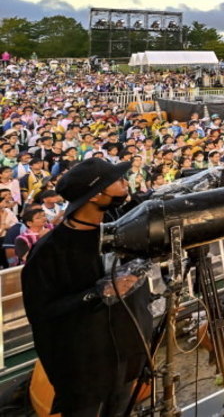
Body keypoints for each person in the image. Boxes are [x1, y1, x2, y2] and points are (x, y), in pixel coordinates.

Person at [22, 158, 153, 417]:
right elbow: (42, 312)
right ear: (95, 195)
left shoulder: (123, 231)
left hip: (127, 358)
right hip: (83, 370)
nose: (125, 184)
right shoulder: (49, 252)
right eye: (116, 181)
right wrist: (97, 293)